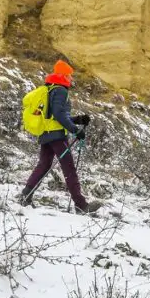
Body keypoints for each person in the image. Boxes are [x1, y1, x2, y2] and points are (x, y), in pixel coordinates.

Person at [19, 60, 99, 214]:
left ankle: (25, 195)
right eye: (69, 75)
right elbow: (58, 114)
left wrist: (78, 119)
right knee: (69, 167)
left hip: (46, 133)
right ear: (63, 75)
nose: (71, 79)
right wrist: (75, 130)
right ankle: (81, 205)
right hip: (56, 135)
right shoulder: (61, 90)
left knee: (44, 164)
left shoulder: (49, 89)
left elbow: (55, 115)